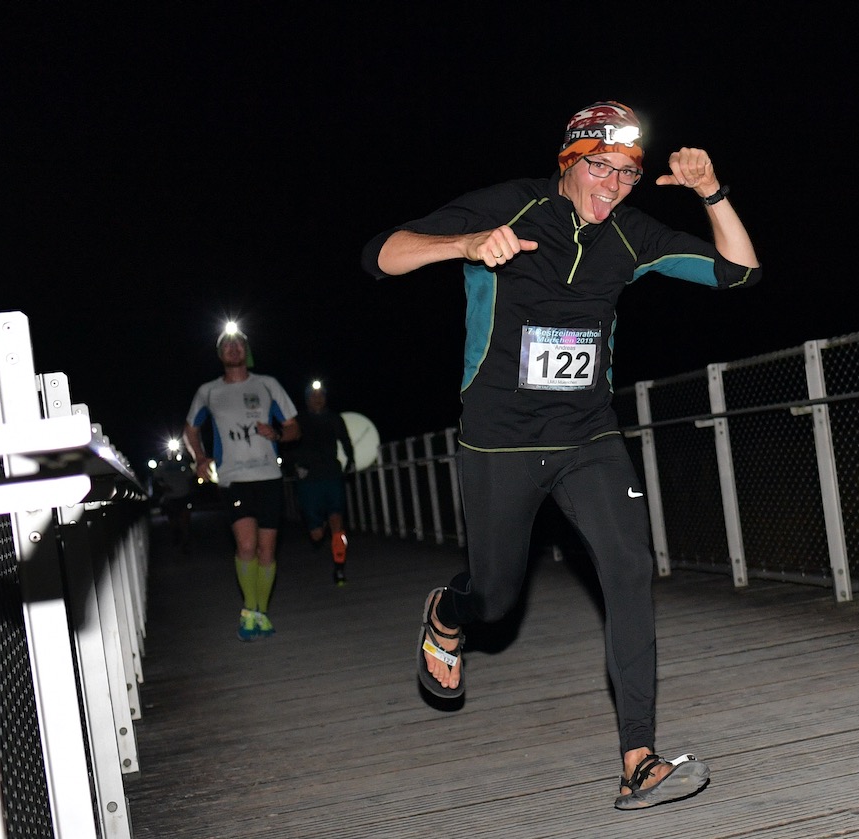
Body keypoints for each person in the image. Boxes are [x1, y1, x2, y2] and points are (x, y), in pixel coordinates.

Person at [361, 100, 761, 810]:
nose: (613, 185)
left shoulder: (631, 235)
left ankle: (638, 757)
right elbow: (380, 256)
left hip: (587, 435)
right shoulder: (511, 207)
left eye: (628, 174)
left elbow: (739, 271)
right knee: (496, 596)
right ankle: (449, 614)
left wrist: (711, 192)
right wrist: (466, 245)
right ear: (569, 162)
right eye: (600, 168)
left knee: (629, 565)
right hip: (499, 440)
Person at [183, 324, 299, 641]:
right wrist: (200, 458)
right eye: (226, 345)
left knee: (267, 552)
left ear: (245, 351)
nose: (233, 349)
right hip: (233, 479)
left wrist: (276, 433)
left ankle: (259, 612)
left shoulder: (268, 385)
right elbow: (190, 429)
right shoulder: (208, 391)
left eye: (238, 344)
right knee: (246, 546)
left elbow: (293, 428)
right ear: (220, 354)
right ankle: (252, 611)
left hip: (268, 477)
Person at [289, 380, 356, 585]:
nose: (317, 399)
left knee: (338, 521)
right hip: (308, 480)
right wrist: (294, 466)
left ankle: (339, 568)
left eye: (321, 395)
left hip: (332, 475)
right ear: (307, 399)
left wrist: (351, 460)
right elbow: (288, 446)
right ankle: (319, 524)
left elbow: (345, 440)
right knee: (317, 535)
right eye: (313, 396)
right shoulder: (298, 420)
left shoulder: (335, 419)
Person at [152, 439, 195, 553]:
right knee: (173, 521)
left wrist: (192, 492)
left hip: (184, 495)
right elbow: (156, 479)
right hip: (170, 497)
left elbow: (191, 478)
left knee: (185, 521)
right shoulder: (162, 465)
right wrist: (163, 486)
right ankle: (176, 538)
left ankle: (185, 543)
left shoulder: (184, 464)